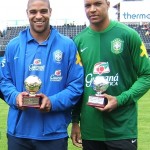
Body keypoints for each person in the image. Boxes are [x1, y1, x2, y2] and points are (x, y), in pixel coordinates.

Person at [0, 0, 84, 150]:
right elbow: (4, 81)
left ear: (50, 12)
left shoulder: (67, 45)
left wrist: (52, 102)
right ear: (27, 13)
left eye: (43, 11)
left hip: (54, 133)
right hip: (18, 133)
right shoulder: (13, 45)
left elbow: (76, 85)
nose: (38, 16)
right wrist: (15, 96)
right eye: (33, 12)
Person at [71, 0, 150, 150]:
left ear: (107, 4)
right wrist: (75, 121)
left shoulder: (129, 35)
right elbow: (77, 84)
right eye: (87, 6)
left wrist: (119, 100)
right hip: (90, 131)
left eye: (98, 4)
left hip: (122, 130)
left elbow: (147, 75)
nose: (92, 9)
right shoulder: (79, 41)